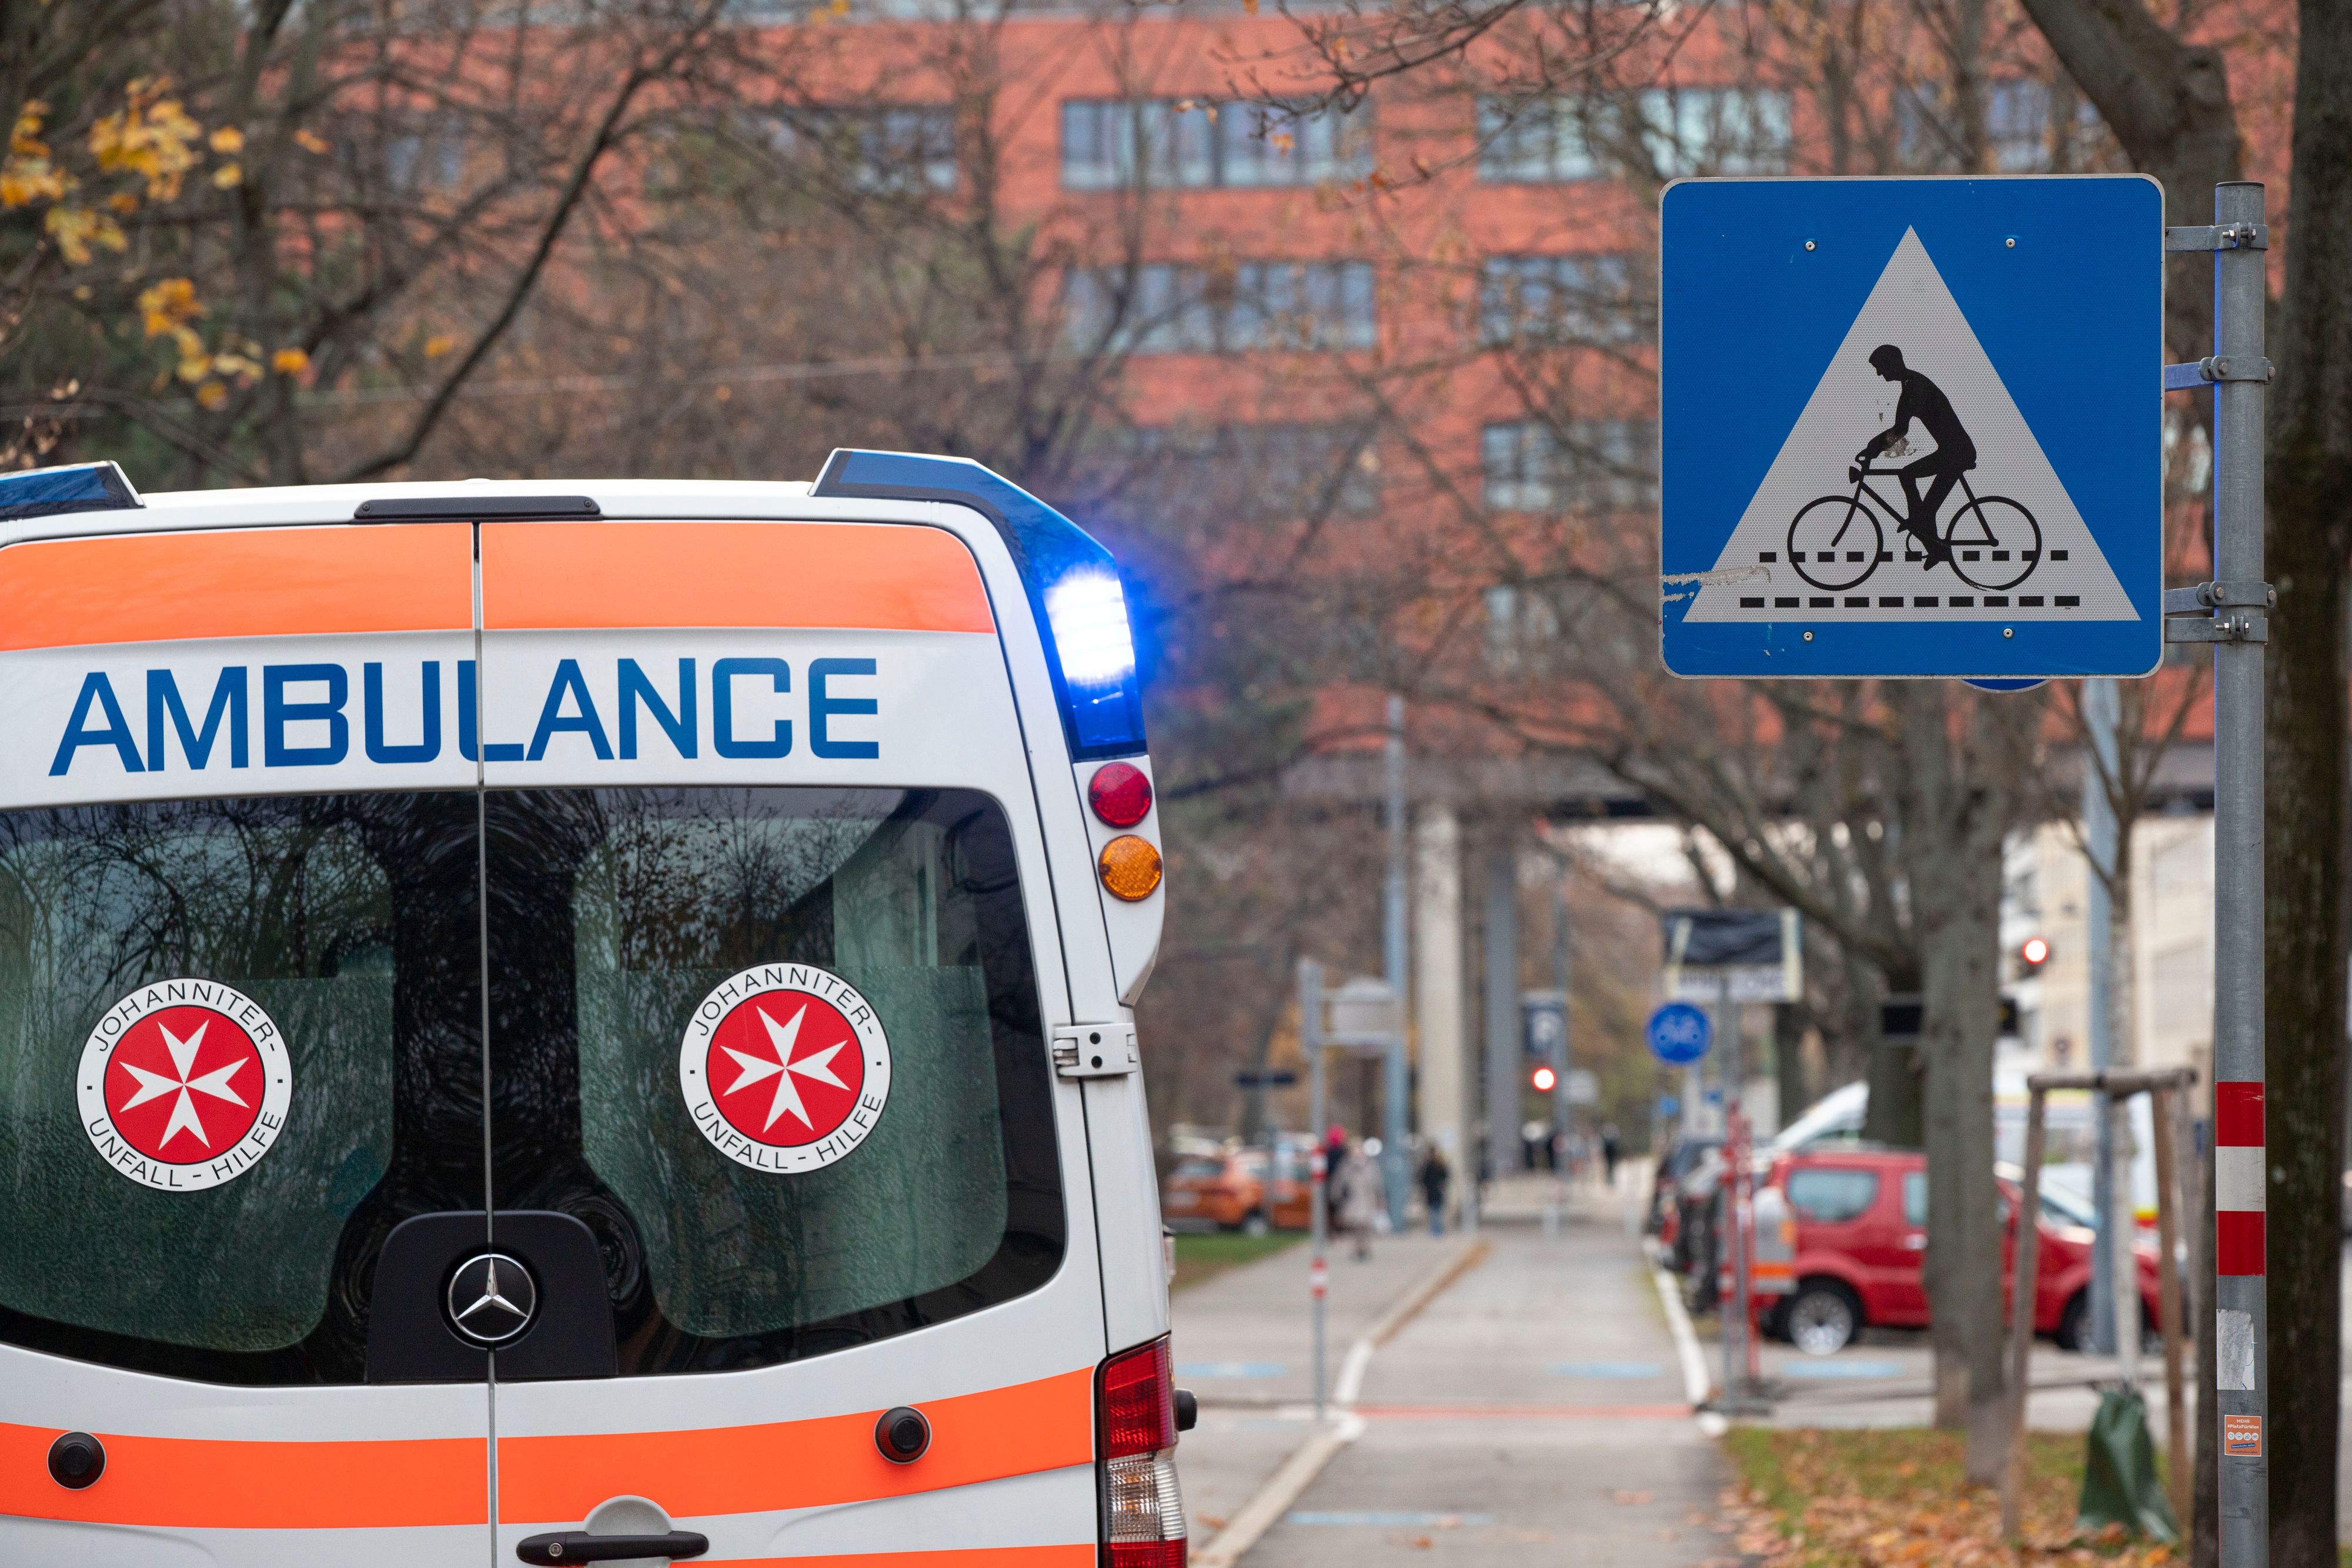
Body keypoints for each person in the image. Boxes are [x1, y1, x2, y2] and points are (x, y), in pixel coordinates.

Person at [1857, 343, 1976, 570]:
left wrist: (1872, 448)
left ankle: (1922, 526)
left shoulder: (1915, 386)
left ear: (1892, 363)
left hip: (1957, 453)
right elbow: (1900, 428)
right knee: (1909, 480)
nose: (1879, 374)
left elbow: (1900, 429)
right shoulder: (1910, 384)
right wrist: (1873, 448)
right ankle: (1930, 540)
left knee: (1921, 502)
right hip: (1952, 451)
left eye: (1880, 367)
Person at [1338, 1139, 1381, 1261]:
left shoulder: (1371, 1165)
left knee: (1365, 1226)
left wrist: (1380, 1199)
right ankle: (1357, 1249)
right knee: (1355, 1226)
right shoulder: (1347, 1165)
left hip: (1367, 1200)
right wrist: (1337, 1195)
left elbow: (1377, 1183)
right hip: (1353, 1201)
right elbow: (1340, 1182)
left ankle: (1365, 1249)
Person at [1418, 1142, 1450, 1236]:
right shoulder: (1430, 1165)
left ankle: (1437, 1230)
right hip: (1433, 1191)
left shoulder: (1437, 1165)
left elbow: (1445, 1176)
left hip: (1435, 1191)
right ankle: (1437, 1230)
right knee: (1435, 1211)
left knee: (1436, 1211)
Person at [1601, 1122, 1622, 1187]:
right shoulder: (1607, 1139)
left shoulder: (1612, 1140)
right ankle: (1609, 1180)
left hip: (1611, 1155)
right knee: (1609, 1168)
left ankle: (1611, 1180)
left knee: (1611, 1168)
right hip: (1608, 1155)